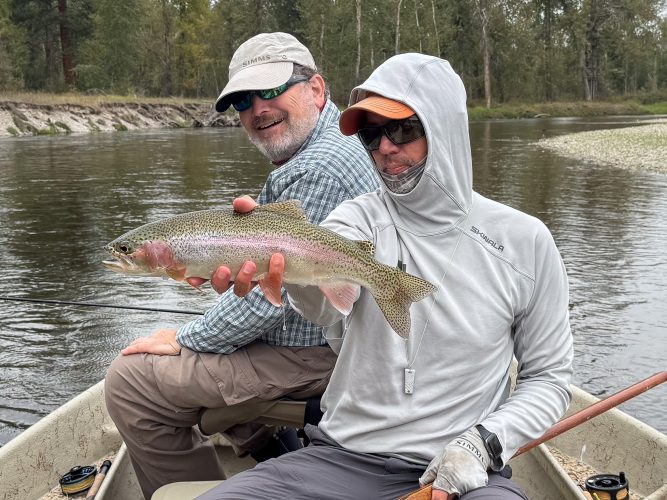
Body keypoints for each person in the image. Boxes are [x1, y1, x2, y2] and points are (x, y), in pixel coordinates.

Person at [200, 53, 573, 499]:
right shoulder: (356, 218)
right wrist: (279, 262)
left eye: (401, 129)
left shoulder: (525, 241)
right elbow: (326, 305)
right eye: (371, 135)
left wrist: (484, 443)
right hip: (337, 458)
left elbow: (549, 378)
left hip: (458, 472)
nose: (385, 148)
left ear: (444, 127)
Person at [103, 32, 379, 499]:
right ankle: (274, 453)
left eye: (270, 91)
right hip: (328, 334)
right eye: (243, 101)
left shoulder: (317, 168)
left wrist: (187, 336)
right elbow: (268, 284)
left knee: (130, 382)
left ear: (316, 89)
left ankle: (196, 492)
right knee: (214, 336)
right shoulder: (332, 143)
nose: (256, 110)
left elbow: (270, 307)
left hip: (327, 352)